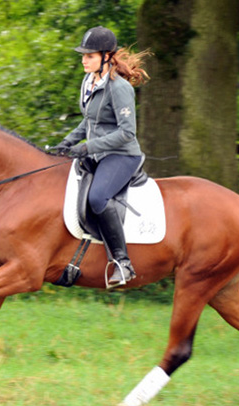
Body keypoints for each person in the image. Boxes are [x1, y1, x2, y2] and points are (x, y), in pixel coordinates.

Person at [56, 26, 149, 286]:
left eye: (90, 56)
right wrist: (67, 142)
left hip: (122, 156)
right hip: (99, 154)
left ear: (107, 56)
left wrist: (88, 147)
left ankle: (123, 262)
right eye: (83, 56)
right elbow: (89, 122)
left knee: (97, 197)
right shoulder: (89, 82)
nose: (84, 60)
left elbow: (127, 133)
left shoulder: (119, 88)